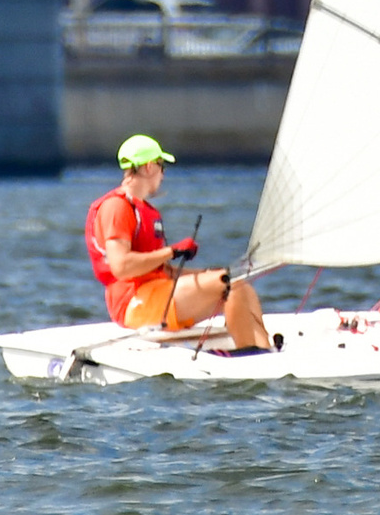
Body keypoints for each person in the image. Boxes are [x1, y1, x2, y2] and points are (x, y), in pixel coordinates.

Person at [86, 135, 275, 353]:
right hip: (132, 303)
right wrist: (172, 251)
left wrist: (212, 273)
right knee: (229, 286)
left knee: (237, 282)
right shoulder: (117, 207)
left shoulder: (145, 210)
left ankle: (264, 351)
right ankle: (251, 355)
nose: (163, 174)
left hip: (156, 292)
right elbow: (121, 266)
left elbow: (162, 270)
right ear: (148, 167)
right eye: (161, 166)